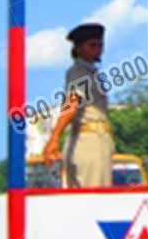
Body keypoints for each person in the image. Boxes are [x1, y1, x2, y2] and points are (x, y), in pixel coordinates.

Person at [43, 23, 114, 188]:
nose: (98, 49)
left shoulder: (91, 72)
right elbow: (71, 106)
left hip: (95, 138)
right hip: (90, 139)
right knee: (94, 195)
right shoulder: (79, 72)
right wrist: (54, 139)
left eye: (100, 45)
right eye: (92, 45)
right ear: (79, 48)